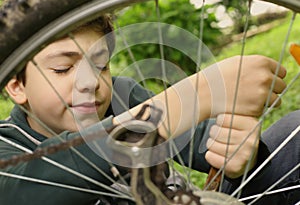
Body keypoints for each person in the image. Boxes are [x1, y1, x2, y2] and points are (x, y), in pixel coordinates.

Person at [0, 14, 292, 205]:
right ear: (17, 86)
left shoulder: (121, 95)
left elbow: (204, 143)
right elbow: (21, 191)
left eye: (101, 64)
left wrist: (240, 152)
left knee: (294, 130)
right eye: (63, 69)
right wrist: (194, 97)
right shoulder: (5, 145)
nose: (91, 81)